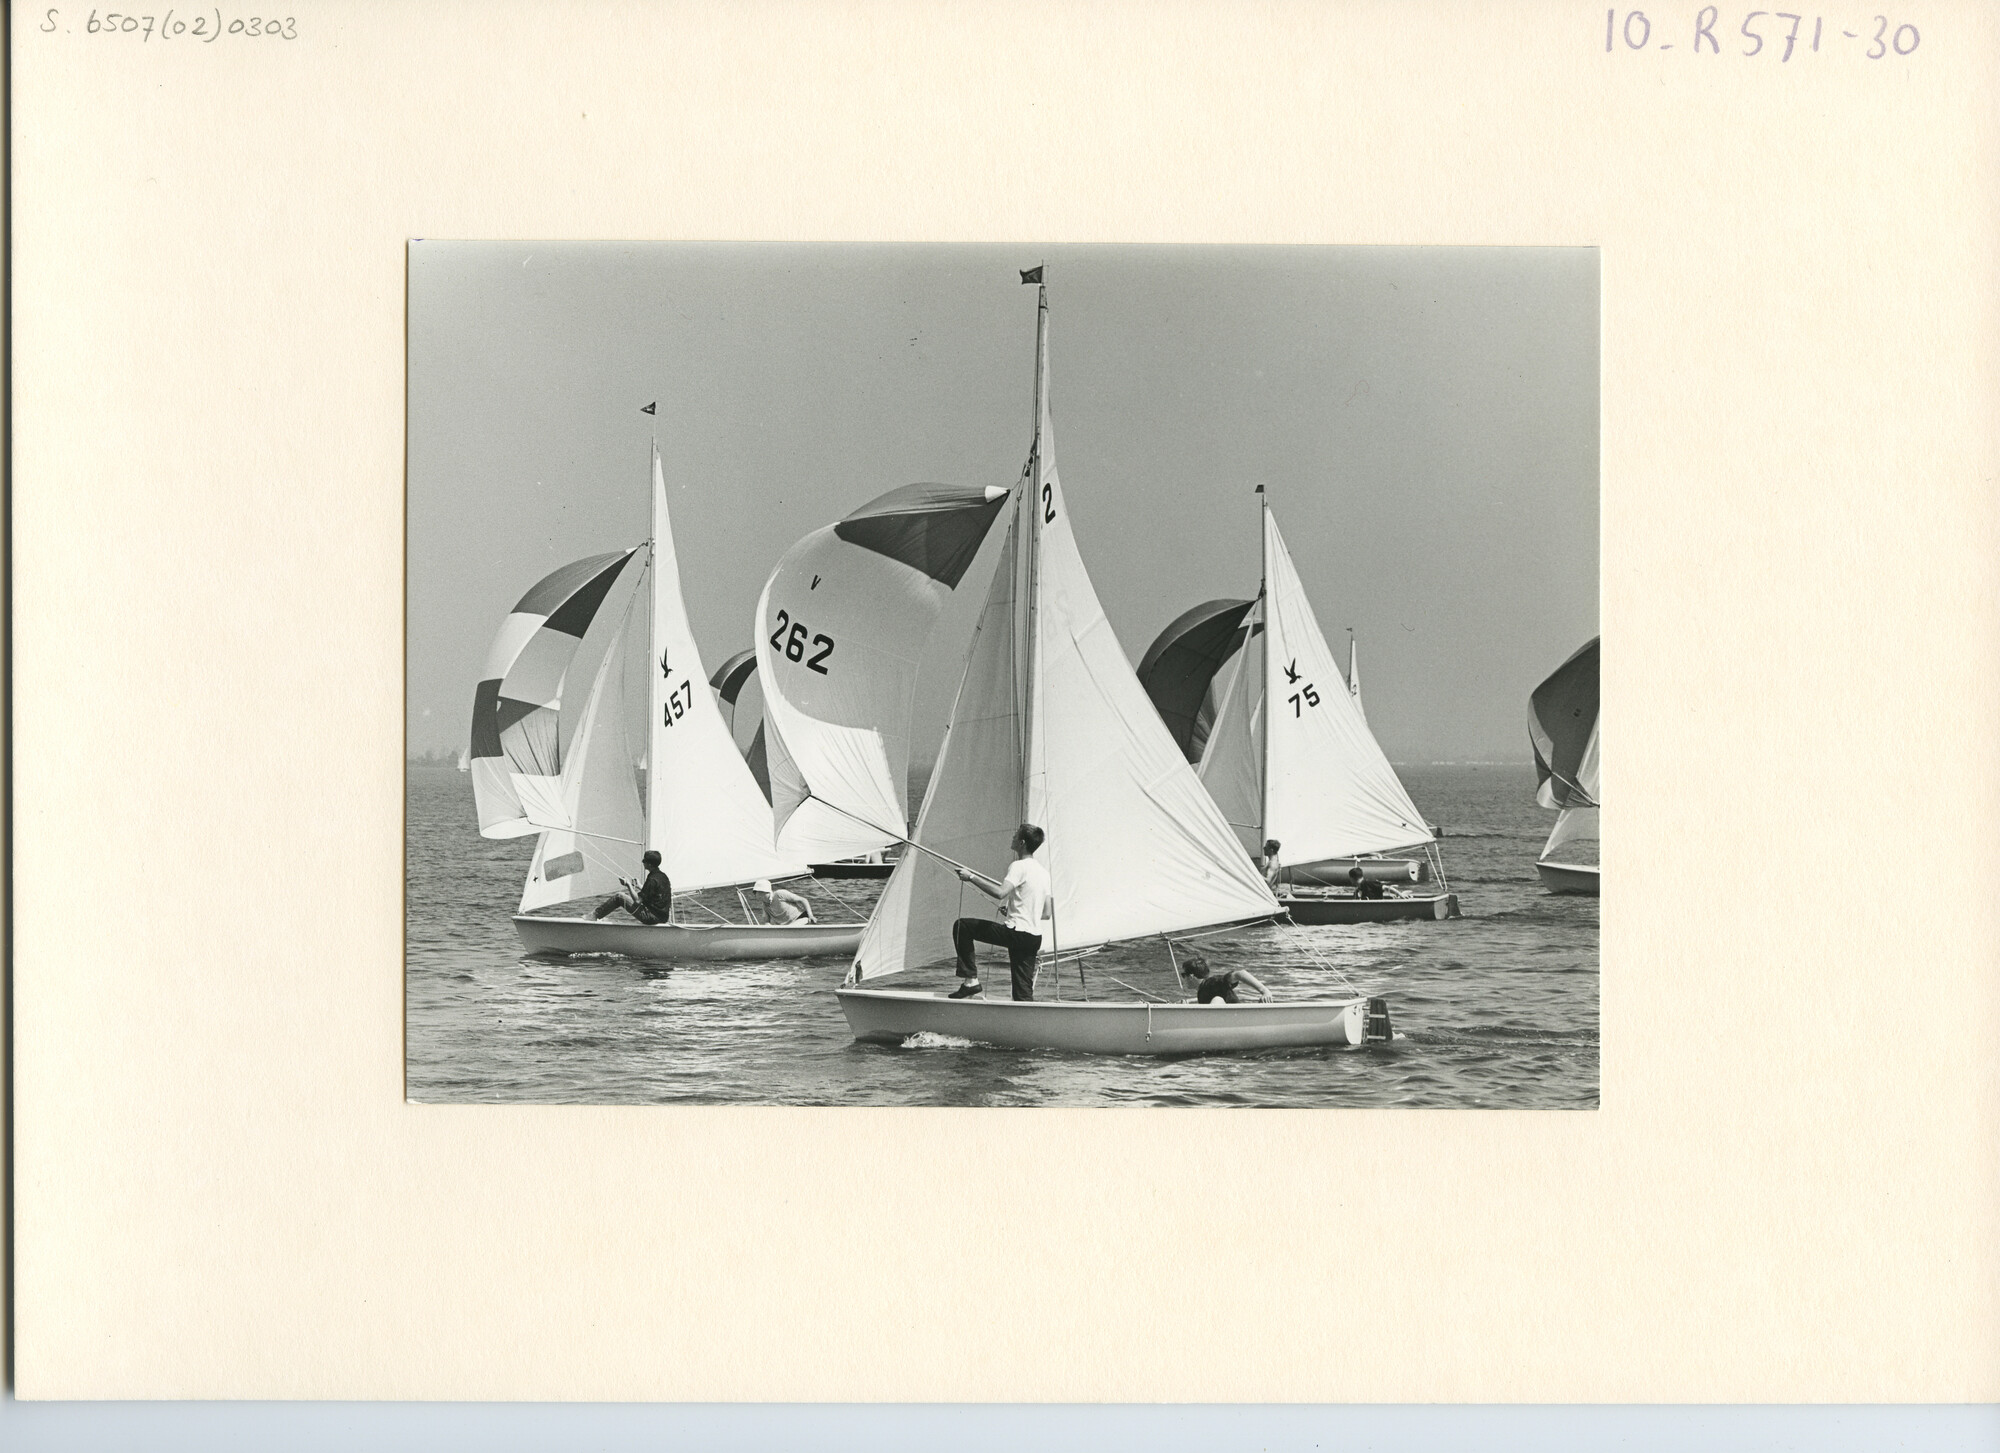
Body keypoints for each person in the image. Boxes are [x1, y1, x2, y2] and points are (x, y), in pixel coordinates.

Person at [948, 823, 1052, 1001]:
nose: (1012, 838)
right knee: (1022, 993)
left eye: (1015, 836)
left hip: (1017, 934)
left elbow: (1000, 892)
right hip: (1033, 938)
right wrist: (1014, 910)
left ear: (1022, 842)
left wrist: (970, 877)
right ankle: (1027, 1023)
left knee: (962, 926)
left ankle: (971, 981)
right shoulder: (1044, 873)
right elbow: (1047, 913)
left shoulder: (1019, 866)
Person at [592, 849, 673, 924]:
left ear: (650, 864)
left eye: (644, 860)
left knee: (619, 897)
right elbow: (654, 893)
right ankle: (596, 915)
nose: (642, 862)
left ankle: (594, 916)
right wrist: (640, 886)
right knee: (621, 897)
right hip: (662, 918)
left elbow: (637, 901)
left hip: (650, 917)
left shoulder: (652, 879)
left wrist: (628, 885)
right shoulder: (663, 876)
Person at [1177, 953, 1273, 1005]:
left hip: (1237, 1020)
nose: (1183, 979)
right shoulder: (1202, 990)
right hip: (1229, 1021)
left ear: (1191, 976)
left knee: (1217, 999)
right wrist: (1189, 1001)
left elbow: (1240, 973)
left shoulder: (1213, 982)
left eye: (1183, 975)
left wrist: (1265, 991)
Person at [750, 878, 815, 925]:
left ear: (766, 892)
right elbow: (766, 921)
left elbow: (803, 900)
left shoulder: (779, 894)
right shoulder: (764, 904)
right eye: (755, 893)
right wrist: (768, 927)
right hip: (786, 927)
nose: (756, 895)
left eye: (758, 892)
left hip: (801, 919)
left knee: (789, 929)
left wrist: (811, 916)